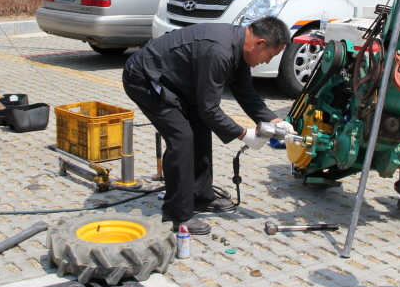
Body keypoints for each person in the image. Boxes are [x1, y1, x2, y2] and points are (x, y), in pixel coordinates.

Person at [122, 16, 294, 235]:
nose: (268, 61)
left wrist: (275, 121)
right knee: (182, 138)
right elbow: (210, 109)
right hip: (146, 78)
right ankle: (177, 215)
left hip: (178, 82)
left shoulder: (239, 48)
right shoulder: (219, 50)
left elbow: (245, 91)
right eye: (271, 55)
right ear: (259, 43)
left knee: (200, 130)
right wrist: (243, 134)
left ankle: (199, 196)